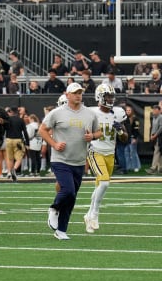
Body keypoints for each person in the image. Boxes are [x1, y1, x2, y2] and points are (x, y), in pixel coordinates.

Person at [39, 83, 101, 240]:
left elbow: (99, 132)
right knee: (68, 191)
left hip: (79, 161)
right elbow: (42, 130)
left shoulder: (90, 113)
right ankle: (53, 209)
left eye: (80, 92)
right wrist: (54, 144)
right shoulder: (57, 113)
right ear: (67, 95)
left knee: (72, 198)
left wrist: (92, 136)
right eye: (74, 93)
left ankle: (61, 230)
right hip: (60, 160)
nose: (78, 95)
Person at [83, 85, 127, 234]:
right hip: (95, 151)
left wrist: (120, 130)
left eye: (111, 96)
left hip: (110, 153)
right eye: (107, 96)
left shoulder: (118, 113)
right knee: (104, 182)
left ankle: (88, 216)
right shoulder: (91, 113)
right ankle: (94, 214)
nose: (110, 99)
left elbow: (124, 137)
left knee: (100, 186)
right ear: (100, 97)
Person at [4, 107, 29, 181]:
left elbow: (3, 129)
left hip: (8, 139)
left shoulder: (7, 120)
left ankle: (9, 172)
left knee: (10, 158)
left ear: (11, 111)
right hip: (18, 140)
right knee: (19, 157)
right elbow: (25, 132)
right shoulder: (20, 120)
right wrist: (27, 143)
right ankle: (14, 169)